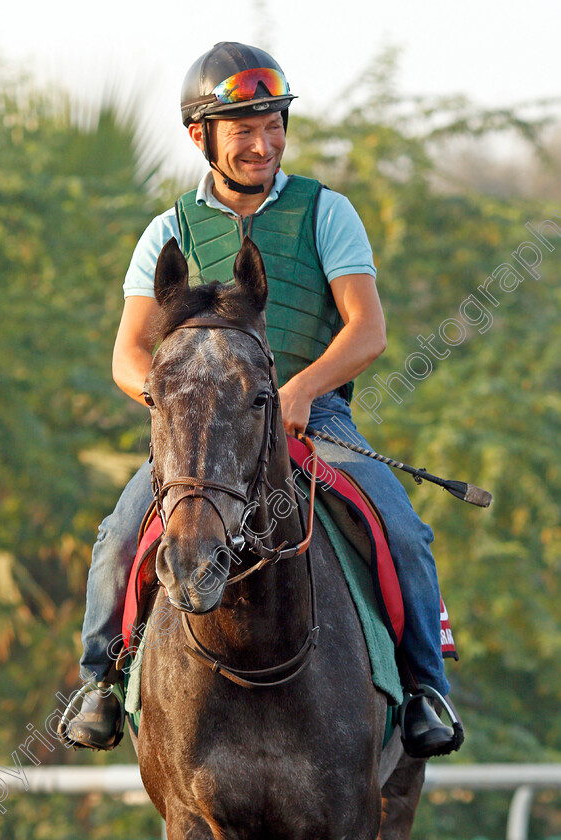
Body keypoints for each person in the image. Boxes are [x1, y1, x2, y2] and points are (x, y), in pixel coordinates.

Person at [60, 41, 463, 759]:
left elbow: (366, 330)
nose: (263, 142)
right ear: (200, 137)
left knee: (401, 527)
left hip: (315, 414)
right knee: (121, 534)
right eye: (244, 128)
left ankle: (426, 691)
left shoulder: (325, 212)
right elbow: (127, 354)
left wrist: (300, 389)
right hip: (202, 431)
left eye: (273, 124)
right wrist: (173, 402)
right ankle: (100, 680)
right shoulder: (167, 231)